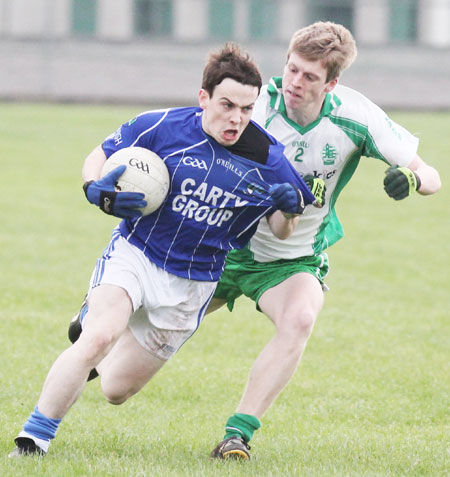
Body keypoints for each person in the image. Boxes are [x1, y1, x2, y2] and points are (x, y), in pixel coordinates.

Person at [8, 42, 321, 457]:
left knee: (116, 389)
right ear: (203, 97)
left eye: (247, 109)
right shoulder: (163, 126)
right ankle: (34, 440)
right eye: (227, 105)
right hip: (136, 253)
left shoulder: (269, 159)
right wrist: (94, 189)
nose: (237, 118)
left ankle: (99, 334)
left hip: (193, 284)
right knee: (98, 336)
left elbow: (283, 230)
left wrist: (287, 210)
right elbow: (100, 154)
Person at [209, 22, 441, 460]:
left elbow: (434, 177)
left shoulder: (354, 116)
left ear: (332, 83)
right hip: (223, 242)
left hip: (291, 258)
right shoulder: (255, 106)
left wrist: (410, 177)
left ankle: (236, 436)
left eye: (309, 76)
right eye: (292, 69)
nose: (295, 82)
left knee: (299, 319)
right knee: (122, 378)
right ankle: (95, 336)